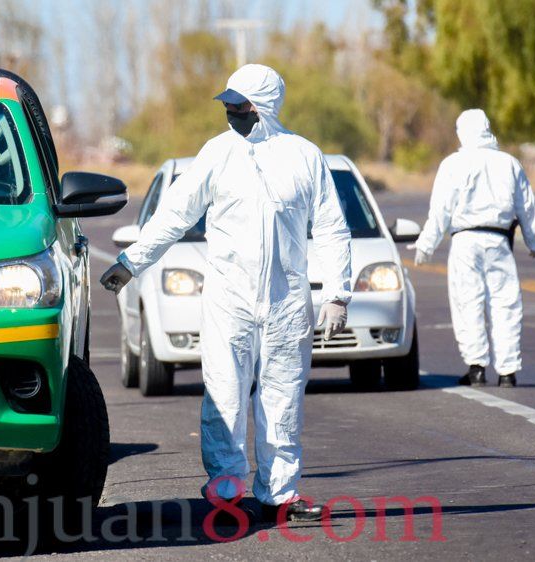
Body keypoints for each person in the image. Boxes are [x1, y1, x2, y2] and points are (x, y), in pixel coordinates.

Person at [100, 64, 352, 522]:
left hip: (286, 299)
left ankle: (280, 495)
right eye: (228, 104)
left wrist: (337, 293)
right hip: (228, 298)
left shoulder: (304, 157)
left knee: (282, 398)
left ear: (263, 106)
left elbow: (332, 228)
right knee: (224, 396)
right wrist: (131, 262)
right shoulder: (218, 153)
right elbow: (176, 213)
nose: (230, 111)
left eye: (239, 104)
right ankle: (226, 492)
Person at [414, 109, 535, 388]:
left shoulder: (452, 164)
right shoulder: (509, 163)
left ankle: (476, 368)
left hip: (465, 242)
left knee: (467, 302)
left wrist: (426, 246)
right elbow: (526, 206)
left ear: (462, 132)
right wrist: (534, 241)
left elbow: (440, 210)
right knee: (506, 304)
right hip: (499, 241)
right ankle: (508, 372)